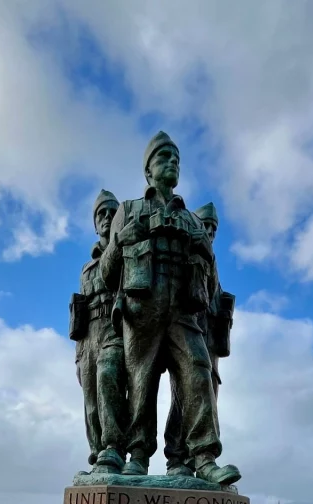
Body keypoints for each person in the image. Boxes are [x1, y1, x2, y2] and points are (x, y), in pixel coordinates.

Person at [100, 131, 240, 486]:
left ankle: (203, 456)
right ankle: (137, 455)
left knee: (198, 370)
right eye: (164, 158)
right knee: (141, 380)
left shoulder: (192, 219)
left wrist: (202, 247)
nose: (172, 164)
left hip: (182, 308)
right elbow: (106, 273)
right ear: (148, 171)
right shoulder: (129, 209)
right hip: (141, 305)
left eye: (176, 159)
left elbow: (210, 275)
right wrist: (121, 241)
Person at [163, 201, 235, 476]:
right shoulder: (188, 255)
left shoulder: (210, 261)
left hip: (210, 343)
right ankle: (178, 457)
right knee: (183, 395)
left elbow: (213, 296)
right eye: (205, 226)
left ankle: (197, 458)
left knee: (203, 394)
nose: (209, 232)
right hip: (184, 330)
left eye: (213, 228)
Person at [69, 189, 127, 473]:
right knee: (91, 403)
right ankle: (98, 457)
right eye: (101, 214)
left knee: (108, 380)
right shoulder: (86, 268)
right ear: (95, 223)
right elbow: (79, 311)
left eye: (111, 213)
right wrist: (78, 357)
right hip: (88, 338)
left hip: (115, 331)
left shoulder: (126, 254)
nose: (106, 217)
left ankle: (115, 448)